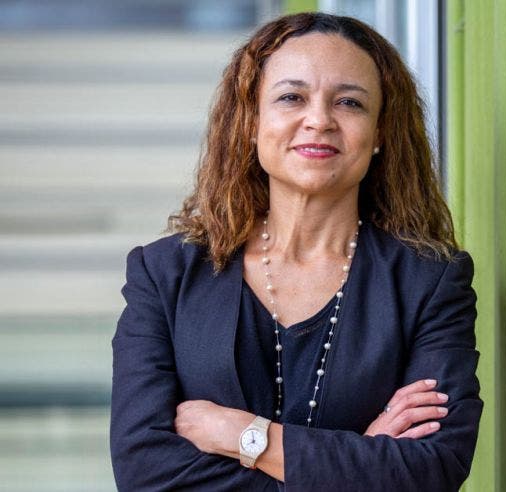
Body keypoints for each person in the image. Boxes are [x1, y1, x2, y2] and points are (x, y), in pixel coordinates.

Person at [110, 12, 482, 491]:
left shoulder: (429, 282)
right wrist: (358, 461)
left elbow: (432, 468)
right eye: (292, 97)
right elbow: (144, 472)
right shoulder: (164, 275)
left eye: (349, 102)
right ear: (251, 121)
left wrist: (242, 436)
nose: (319, 120)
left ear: (380, 133)